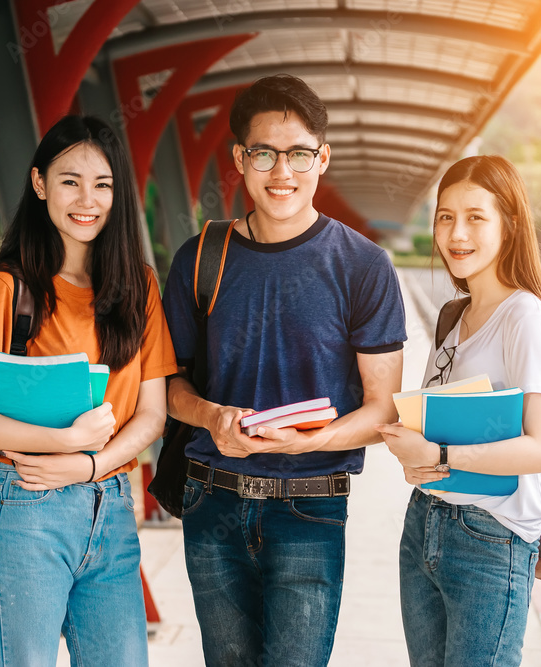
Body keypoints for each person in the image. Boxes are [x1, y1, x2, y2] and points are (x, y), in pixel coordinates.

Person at [162, 74, 407, 666]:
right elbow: (167, 384)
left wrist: (309, 444)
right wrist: (212, 417)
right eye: (264, 153)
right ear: (239, 159)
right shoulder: (199, 258)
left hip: (310, 507)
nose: (282, 172)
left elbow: (383, 408)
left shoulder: (363, 267)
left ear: (322, 158)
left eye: (298, 153)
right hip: (211, 501)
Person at [0, 115, 176, 666]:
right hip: (27, 511)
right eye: (69, 181)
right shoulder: (5, 289)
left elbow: (152, 413)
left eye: (103, 184)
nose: (85, 199)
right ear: (40, 184)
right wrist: (65, 442)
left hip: (113, 511)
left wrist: (91, 466)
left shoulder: (138, 286)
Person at [377, 155, 541, 667]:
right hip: (425, 524)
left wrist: (438, 454)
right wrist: (411, 450)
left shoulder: (523, 316)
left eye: (475, 217)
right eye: (445, 216)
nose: (456, 233)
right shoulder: (454, 317)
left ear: (510, 223)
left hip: (490, 541)